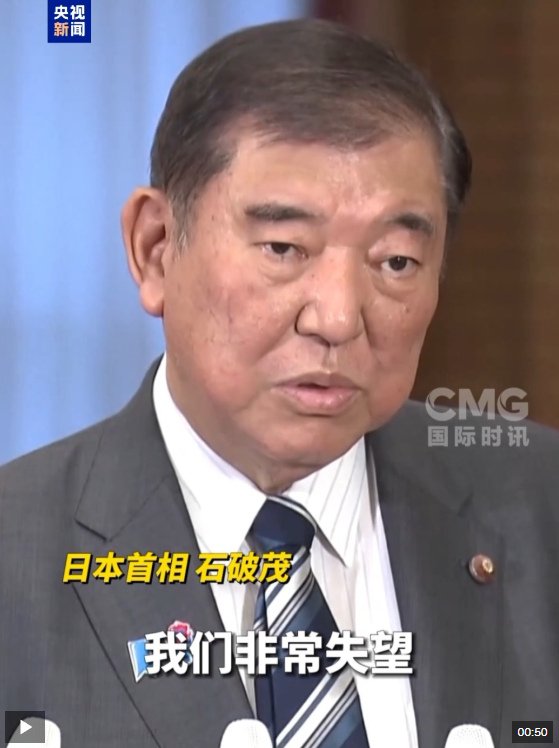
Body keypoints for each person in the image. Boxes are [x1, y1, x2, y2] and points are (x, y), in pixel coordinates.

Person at [1, 18, 558, 748]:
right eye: (284, 248)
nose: (337, 318)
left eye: (395, 261)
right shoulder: (17, 555)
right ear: (156, 249)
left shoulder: (541, 506)